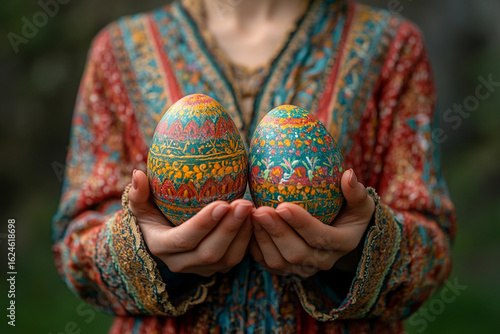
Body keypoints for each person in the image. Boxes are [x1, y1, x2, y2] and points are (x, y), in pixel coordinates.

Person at [52, 0, 456, 332]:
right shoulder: (120, 52)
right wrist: (150, 253)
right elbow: (75, 244)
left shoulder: (391, 47)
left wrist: (358, 249)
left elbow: (433, 250)